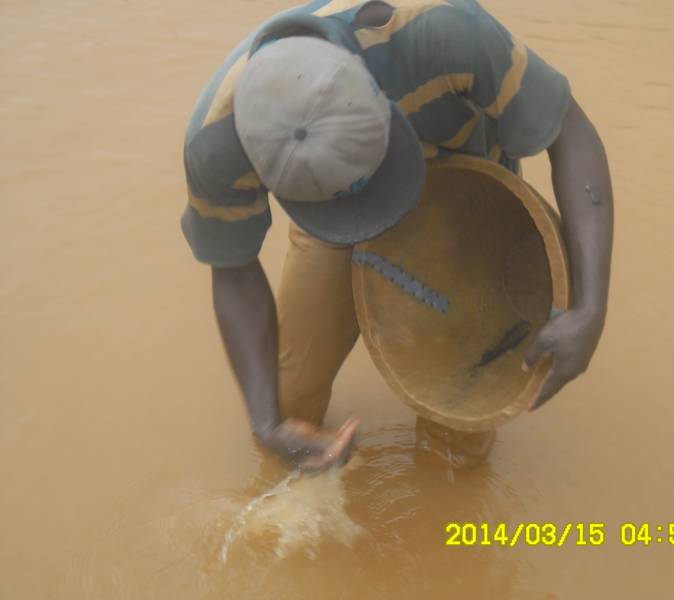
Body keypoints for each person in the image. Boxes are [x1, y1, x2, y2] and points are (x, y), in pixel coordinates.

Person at [181, 0, 613, 472]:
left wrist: (591, 309)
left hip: (472, 200)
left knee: (459, 425)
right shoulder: (216, 143)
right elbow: (233, 268)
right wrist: (266, 423)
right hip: (332, 225)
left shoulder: (445, 33)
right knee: (286, 408)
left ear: (377, 90)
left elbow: (570, 130)